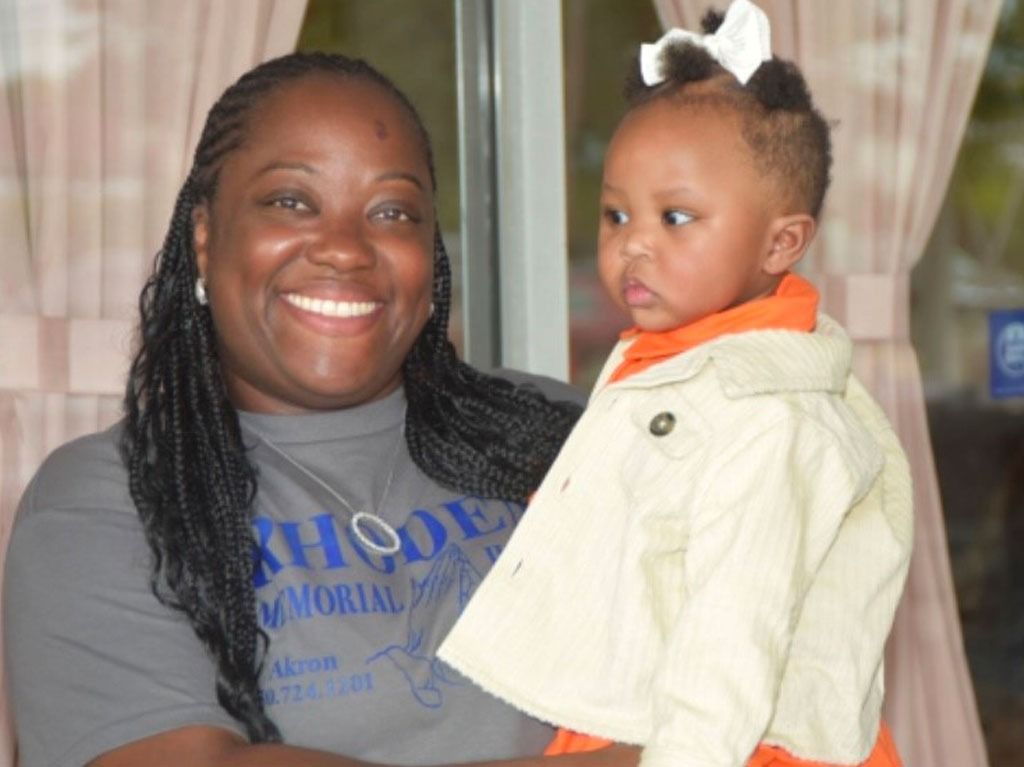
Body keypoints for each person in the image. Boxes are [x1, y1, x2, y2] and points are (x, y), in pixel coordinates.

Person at [2, 52, 638, 767]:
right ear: (205, 238)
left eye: (392, 212)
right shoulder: (107, 501)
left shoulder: (561, 432)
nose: (344, 248)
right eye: (292, 201)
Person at [438, 3, 913, 767]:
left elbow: (733, 641)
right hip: (644, 720)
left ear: (781, 241)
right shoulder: (672, 361)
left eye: (677, 216)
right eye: (616, 214)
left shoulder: (771, 419)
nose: (634, 245)